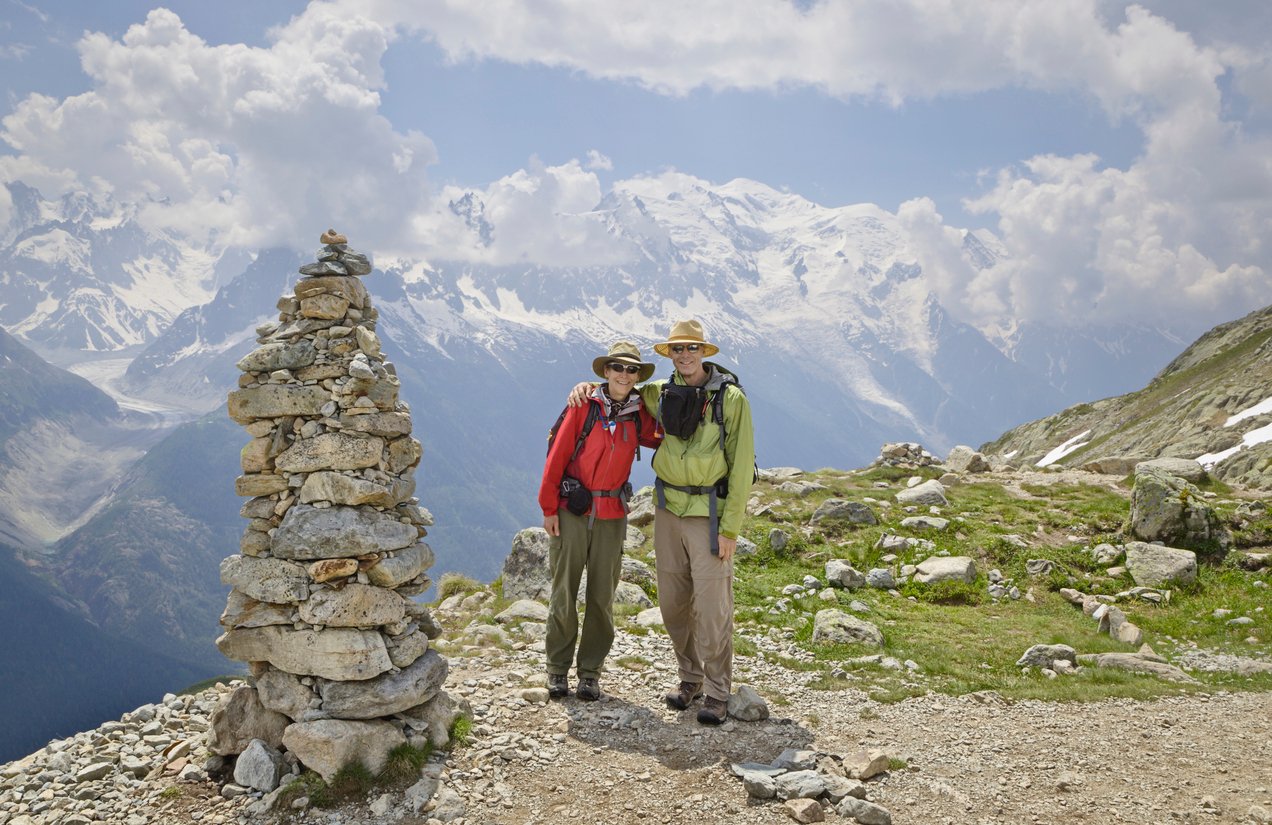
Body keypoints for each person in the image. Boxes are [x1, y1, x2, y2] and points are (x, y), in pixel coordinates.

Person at [569, 320, 755, 724]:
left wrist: (730, 529)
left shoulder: (732, 399)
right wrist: (585, 387)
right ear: (668, 354)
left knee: (712, 607)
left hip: (708, 513)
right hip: (668, 510)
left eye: (691, 348)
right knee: (672, 605)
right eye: (676, 349)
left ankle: (718, 692)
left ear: (704, 352)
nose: (684, 355)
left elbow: (741, 468)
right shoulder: (658, 393)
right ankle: (690, 679)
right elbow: (619, 389)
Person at [539, 341, 661, 701]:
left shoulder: (640, 414)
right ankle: (557, 670)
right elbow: (557, 455)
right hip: (571, 512)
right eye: (617, 367)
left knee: (601, 597)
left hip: (612, 514)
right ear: (605, 371)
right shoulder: (582, 406)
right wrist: (548, 508)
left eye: (631, 370)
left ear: (638, 377)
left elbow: (668, 436)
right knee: (563, 592)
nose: (624, 374)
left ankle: (590, 673)